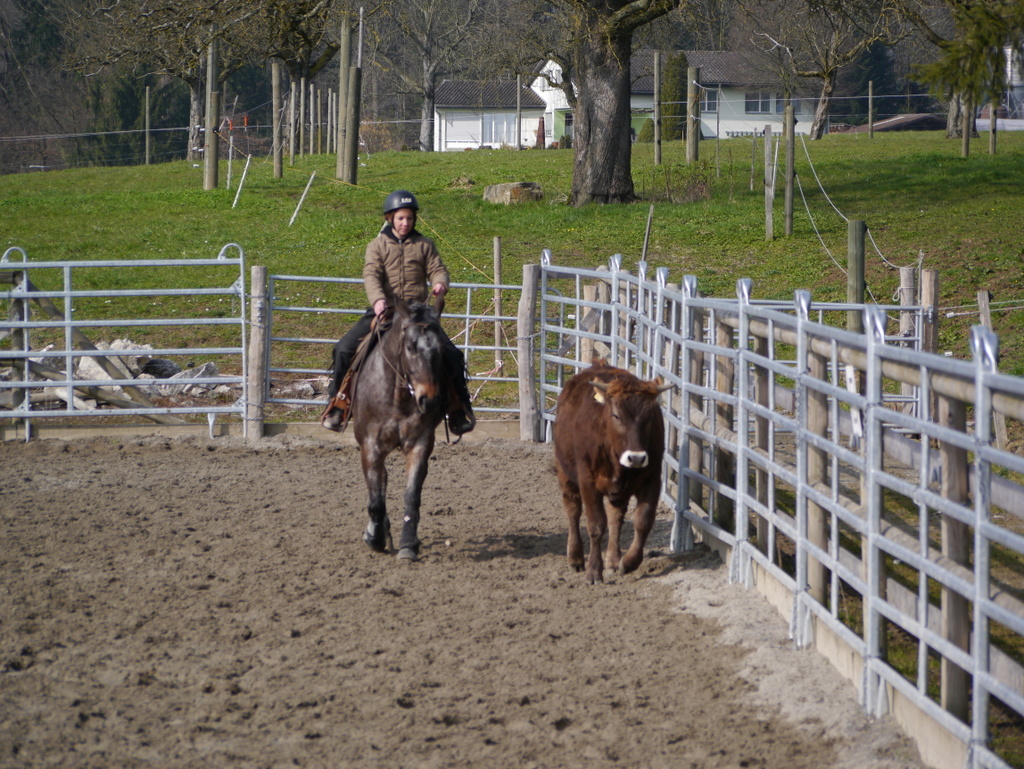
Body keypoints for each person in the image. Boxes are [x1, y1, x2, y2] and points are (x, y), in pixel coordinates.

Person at [321, 190, 476, 435]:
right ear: (390, 218)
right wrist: (378, 300)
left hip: (417, 315)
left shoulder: (424, 244)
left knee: (452, 355)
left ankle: (458, 409)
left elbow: (437, 268)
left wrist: (440, 282)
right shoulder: (377, 246)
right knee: (343, 349)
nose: (405, 223)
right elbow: (371, 274)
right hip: (386, 311)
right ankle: (338, 405)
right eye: (401, 218)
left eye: (410, 218)